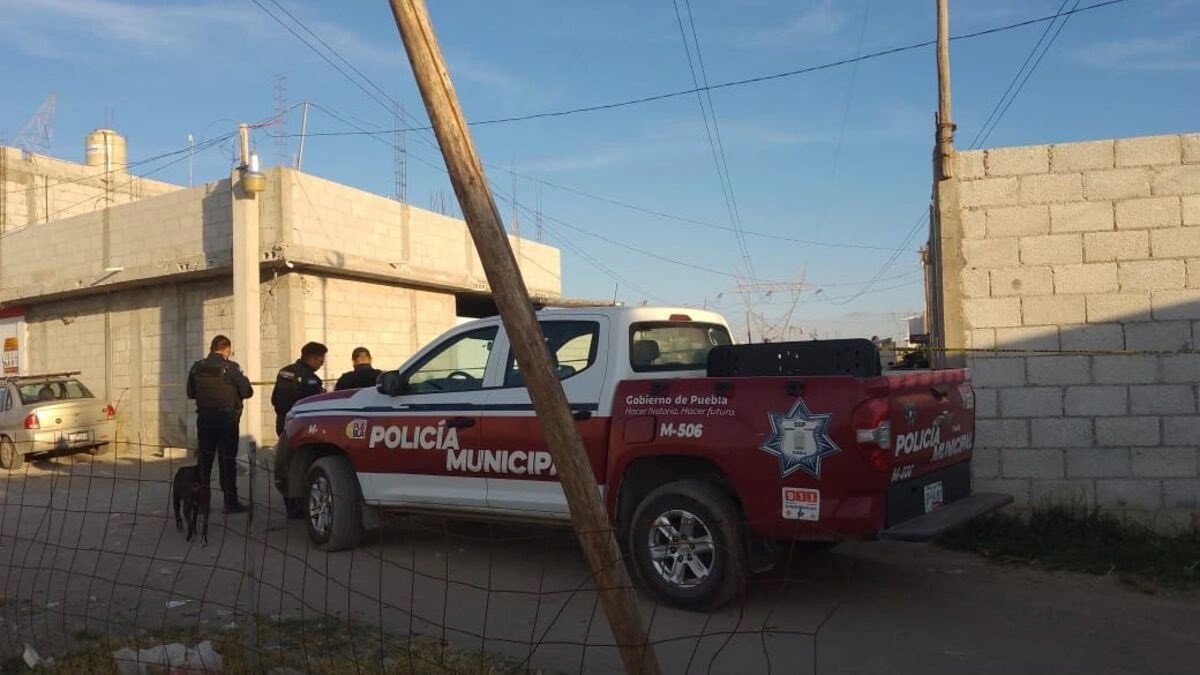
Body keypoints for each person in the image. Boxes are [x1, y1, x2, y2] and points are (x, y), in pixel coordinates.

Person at [186, 335, 253, 514]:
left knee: (204, 462)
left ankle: (201, 503)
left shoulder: (197, 367)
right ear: (226, 349)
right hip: (227, 420)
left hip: (205, 419)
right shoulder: (230, 368)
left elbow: (190, 393)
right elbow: (247, 391)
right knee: (227, 461)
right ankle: (230, 502)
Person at [271, 341, 327, 518]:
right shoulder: (310, 378)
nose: (322, 363)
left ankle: (291, 506)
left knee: (287, 466)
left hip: (284, 425)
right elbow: (315, 405)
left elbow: (275, 400)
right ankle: (300, 506)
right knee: (303, 468)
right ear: (311, 357)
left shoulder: (285, 371)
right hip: (303, 430)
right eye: (320, 360)